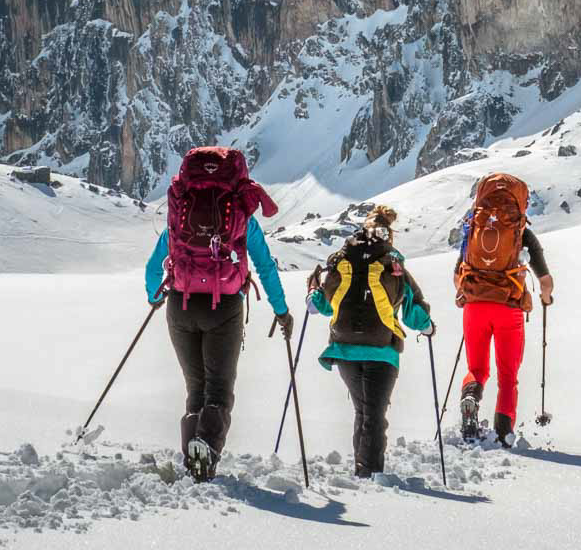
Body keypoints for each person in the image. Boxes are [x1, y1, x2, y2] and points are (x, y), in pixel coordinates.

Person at [144, 145, 291, 482]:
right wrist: (281, 311)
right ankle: (206, 450)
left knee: (196, 387)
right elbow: (266, 267)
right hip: (224, 307)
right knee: (219, 388)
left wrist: (155, 296)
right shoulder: (241, 216)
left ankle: (193, 459)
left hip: (180, 306)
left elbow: (153, 267)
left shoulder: (180, 214)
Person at [304, 205, 434, 478]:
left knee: (362, 411)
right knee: (374, 415)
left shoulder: (343, 260)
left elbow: (322, 307)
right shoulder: (393, 263)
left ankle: (362, 471)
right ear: (389, 234)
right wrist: (428, 327)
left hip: (344, 348)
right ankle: (370, 475)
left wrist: (313, 289)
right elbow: (413, 313)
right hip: (381, 350)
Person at [453, 173, 553, 445]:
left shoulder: (474, 228)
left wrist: (467, 293)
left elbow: (458, 273)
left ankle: (470, 397)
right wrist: (545, 297)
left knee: (477, 368)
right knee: (508, 376)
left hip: (475, 308)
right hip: (508, 308)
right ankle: (503, 432)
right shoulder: (521, 232)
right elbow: (545, 282)